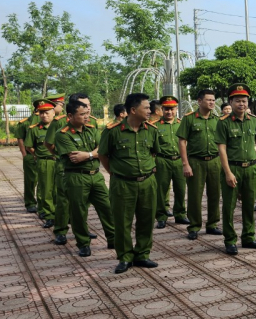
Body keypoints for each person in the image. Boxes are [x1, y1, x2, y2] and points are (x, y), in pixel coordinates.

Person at [99, 93, 160, 274]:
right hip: (123, 184)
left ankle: (142, 254)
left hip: (147, 182)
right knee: (122, 222)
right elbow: (103, 155)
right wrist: (115, 172)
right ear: (133, 110)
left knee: (147, 220)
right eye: (146, 108)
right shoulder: (113, 131)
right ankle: (125, 257)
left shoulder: (151, 130)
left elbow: (154, 152)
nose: (150, 111)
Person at [56, 99, 115, 257]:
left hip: (96, 176)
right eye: (82, 114)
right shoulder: (62, 135)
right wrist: (94, 153)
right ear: (70, 115)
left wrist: (88, 154)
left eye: (87, 113)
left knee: (107, 207)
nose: (86, 117)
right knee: (79, 212)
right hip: (76, 177)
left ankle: (113, 238)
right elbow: (74, 157)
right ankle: (83, 243)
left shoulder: (92, 129)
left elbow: (102, 149)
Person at [216, 83, 256, 255]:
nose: (242, 104)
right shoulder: (223, 123)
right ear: (231, 102)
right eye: (238, 101)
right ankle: (230, 240)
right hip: (233, 168)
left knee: (249, 205)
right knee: (229, 206)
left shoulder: (253, 120)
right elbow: (221, 148)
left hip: (251, 168)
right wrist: (228, 172)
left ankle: (248, 237)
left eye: (244, 101)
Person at [177, 89, 220, 240]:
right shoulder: (189, 119)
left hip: (215, 161)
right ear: (199, 101)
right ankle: (194, 226)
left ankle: (212, 224)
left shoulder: (217, 119)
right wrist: (185, 164)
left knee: (215, 193)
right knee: (195, 195)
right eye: (208, 100)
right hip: (195, 161)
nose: (212, 103)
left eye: (213, 100)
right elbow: (182, 142)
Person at [153, 96, 186, 228]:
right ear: (162, 109)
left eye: (172, 109)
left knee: (181, 189)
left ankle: (180, 214)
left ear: (176, 109)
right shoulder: (155, 126)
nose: (169, 112)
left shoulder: (182, 124)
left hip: (179, 160)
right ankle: (161, 216)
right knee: (161, 190)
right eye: (166, 109)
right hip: (162, 160)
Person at [25, 100, 55, 227]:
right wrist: (36, 155)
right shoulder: (34, 129)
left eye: (46, 113)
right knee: (45, 189)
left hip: (58, 161)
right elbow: (28, 146)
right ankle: (48, 215)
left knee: (58, 190)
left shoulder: (60, 127)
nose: (44, 115)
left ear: (53, 113)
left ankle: (58, 213)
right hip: (44, 161)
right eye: (41, 113)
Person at [16, 99, 41, 213]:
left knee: (42, 181)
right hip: (30, 155)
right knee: (31, 180)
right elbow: (20, 138)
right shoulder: (25, 123)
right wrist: (25, 154)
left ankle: (41, 203)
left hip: (44, 155)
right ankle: (30, 202)